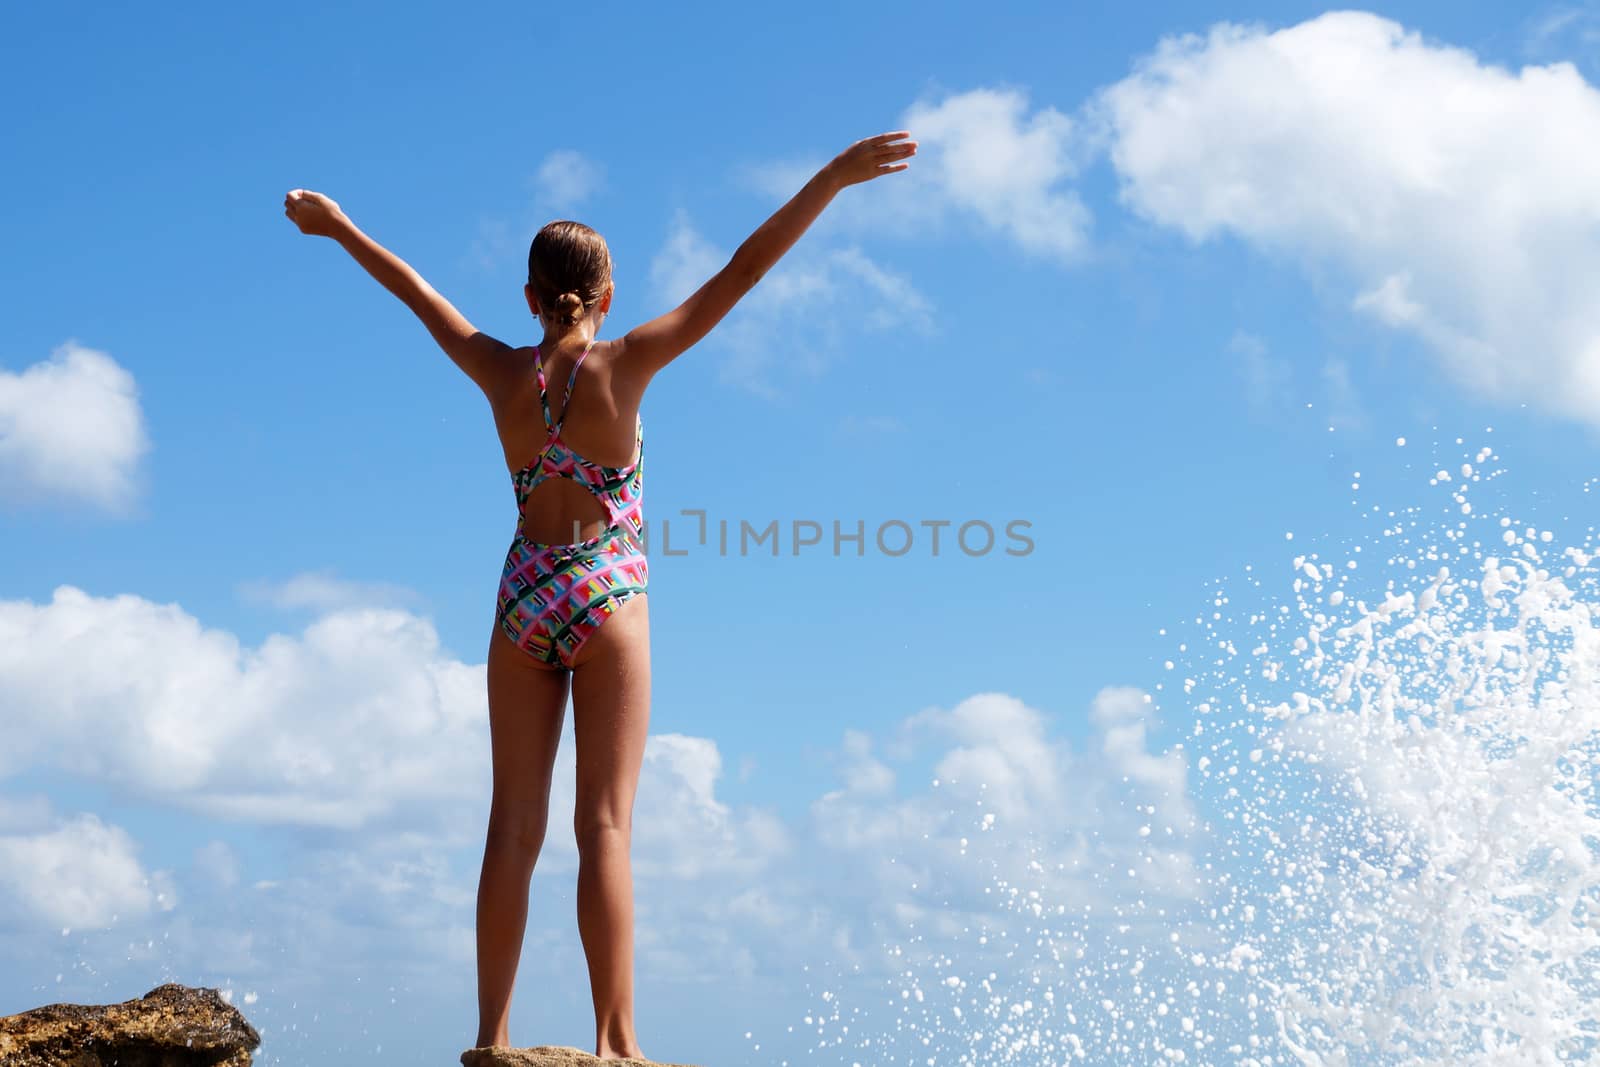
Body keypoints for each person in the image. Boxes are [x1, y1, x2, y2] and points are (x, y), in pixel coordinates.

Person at [283, 129, 917, 1060]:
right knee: (605, 825)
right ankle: (616, 1044)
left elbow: (418, 295)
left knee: (512, 826)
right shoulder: (626, 363)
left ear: (531, 298)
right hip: (604, 586)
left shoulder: (500, 370)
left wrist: (339, 227)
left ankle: (492, 1038)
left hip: (522, 595)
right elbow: (741, 272)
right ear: (606, 294)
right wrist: (832, 178)